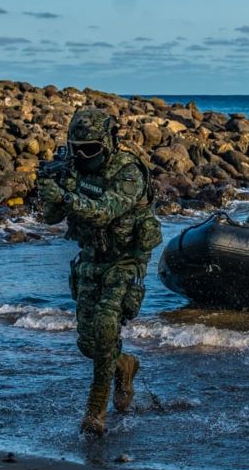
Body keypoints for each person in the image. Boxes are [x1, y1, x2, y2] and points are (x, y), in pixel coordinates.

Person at [38, 108, 161, 437]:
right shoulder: (71, 169)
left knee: (106, 329)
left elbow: (106, 211)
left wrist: (66, 196)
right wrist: (49, 192)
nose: (82, 155)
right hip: (91, 256)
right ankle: (125, 366)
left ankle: (95, 412)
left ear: (108, 142)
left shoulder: (128, 170)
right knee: (89, 343)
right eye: (77, 148)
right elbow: (50, 218)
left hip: (126, 259)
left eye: (90, 148)